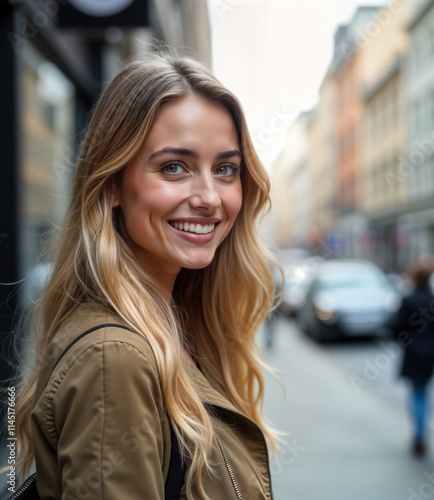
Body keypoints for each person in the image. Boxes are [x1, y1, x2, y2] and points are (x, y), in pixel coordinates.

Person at [10, 50, 278, 499]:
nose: (210, 197)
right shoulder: (113, 356)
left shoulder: (183, 327)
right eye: (174, 167)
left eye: (226, 169)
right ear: (113, 183)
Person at [389, 257, 434, 457]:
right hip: (431, 350)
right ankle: (422, 433)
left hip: (412, 350)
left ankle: (419, 433)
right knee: (424, 391)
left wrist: (404, 338)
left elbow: (397, 327)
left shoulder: (407, 299)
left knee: (416, 391)